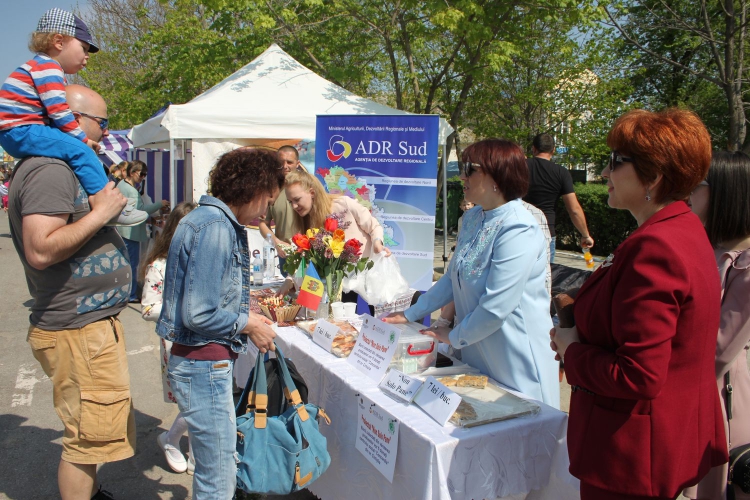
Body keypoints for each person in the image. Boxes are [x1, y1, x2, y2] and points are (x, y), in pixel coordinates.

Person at [549, 109, 728, 500]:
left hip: (632, 456)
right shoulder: (680, 227)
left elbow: (639, 375)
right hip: (659, 440)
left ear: (654, 176)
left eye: (615, 162)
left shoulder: (655, 246)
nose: (604, 172)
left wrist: (572, 351)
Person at [7, 84, 135, 500]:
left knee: (95, 432)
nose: (105, 132)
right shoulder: (50, 170)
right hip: (76, 329)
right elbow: (41, 249)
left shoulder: (62, 165)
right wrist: (101, 214)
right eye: (102, 122)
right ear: (72, 118)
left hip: (87, 326)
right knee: (86, 439)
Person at [384, 138, 559, 408]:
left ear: (497, 177)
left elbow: (497, 306)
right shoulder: (473, 218)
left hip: (514, 353)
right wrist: (410, 313)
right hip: (476, 347)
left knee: (518, 421)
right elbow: (452, 278)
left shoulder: (518, 228)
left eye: (470, 169)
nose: (462, 176)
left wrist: (453, 336)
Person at [156, 147, 282, 499]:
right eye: (267, 200)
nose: (266, 211)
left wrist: (246, 314)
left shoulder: (206, 220)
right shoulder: (215, 227)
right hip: (203, 365)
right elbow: (199, 313)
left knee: (216, 468)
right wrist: (248, 324)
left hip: (200, 363)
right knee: (218, 477)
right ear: (252, 189)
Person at [0, 8, 146, 227]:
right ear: (59, 41)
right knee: (80, 151)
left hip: (17, 130)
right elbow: (59, 111)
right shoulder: (49, 67)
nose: (87, 57)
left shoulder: (39, 67)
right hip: (23, 129)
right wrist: (82, 139)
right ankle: (109, 206)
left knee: (71, 149)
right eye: (84, 48)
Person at [684, 151, 750, 500]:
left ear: (726, 191)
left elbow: (718, 351)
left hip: (722, 401)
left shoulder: (746, 267)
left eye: (698, 184)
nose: (689, 192)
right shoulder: (708, 248)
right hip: (697, 393)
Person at [140, 201, 197, 475]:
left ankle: (182, 447)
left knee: (199, 400)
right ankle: (175, 442)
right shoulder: (160, 266)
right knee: (191, 402)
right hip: (177, 344)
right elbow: (148, 308)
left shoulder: (202, 261)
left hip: (205, 342)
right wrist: (184, 309)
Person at [283, 169, 391, 302]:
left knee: (374, 314)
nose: (294, 206)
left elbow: (374, 226)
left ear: (312, 193)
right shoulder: (304, 222)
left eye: (297, 199)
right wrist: (290, 280)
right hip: (338, 286)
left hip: (367, 278)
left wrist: (377, 242)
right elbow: (303, 259)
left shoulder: (343, 204)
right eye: (290, 202)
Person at [523, 133, 593, 262]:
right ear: (553, 150)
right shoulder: (561, 172)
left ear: (534, 149)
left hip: (519, 228)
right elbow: (574, 209)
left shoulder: (520, 167)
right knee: (546, 273)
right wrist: (585, 235)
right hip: (546, 232)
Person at [116, 160, 168, 302]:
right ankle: (131, 295)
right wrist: (160, 204)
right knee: (131, 264)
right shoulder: (132, 191)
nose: (143, 177)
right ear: (132, 172)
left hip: (123, 230)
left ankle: (125, 293)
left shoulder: (121, 185)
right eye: (141, 174)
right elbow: (140, 211)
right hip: (130, 232)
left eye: (145, 174)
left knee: (125, 264)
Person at [258, 146, 302, 267]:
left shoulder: (309, 187)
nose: (285, 166)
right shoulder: (270, 190)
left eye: (289, 162)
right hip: (285, 255)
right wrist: (277, 243)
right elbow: (263, 223)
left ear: (297, 164)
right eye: (281, 162)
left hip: (308, 253)